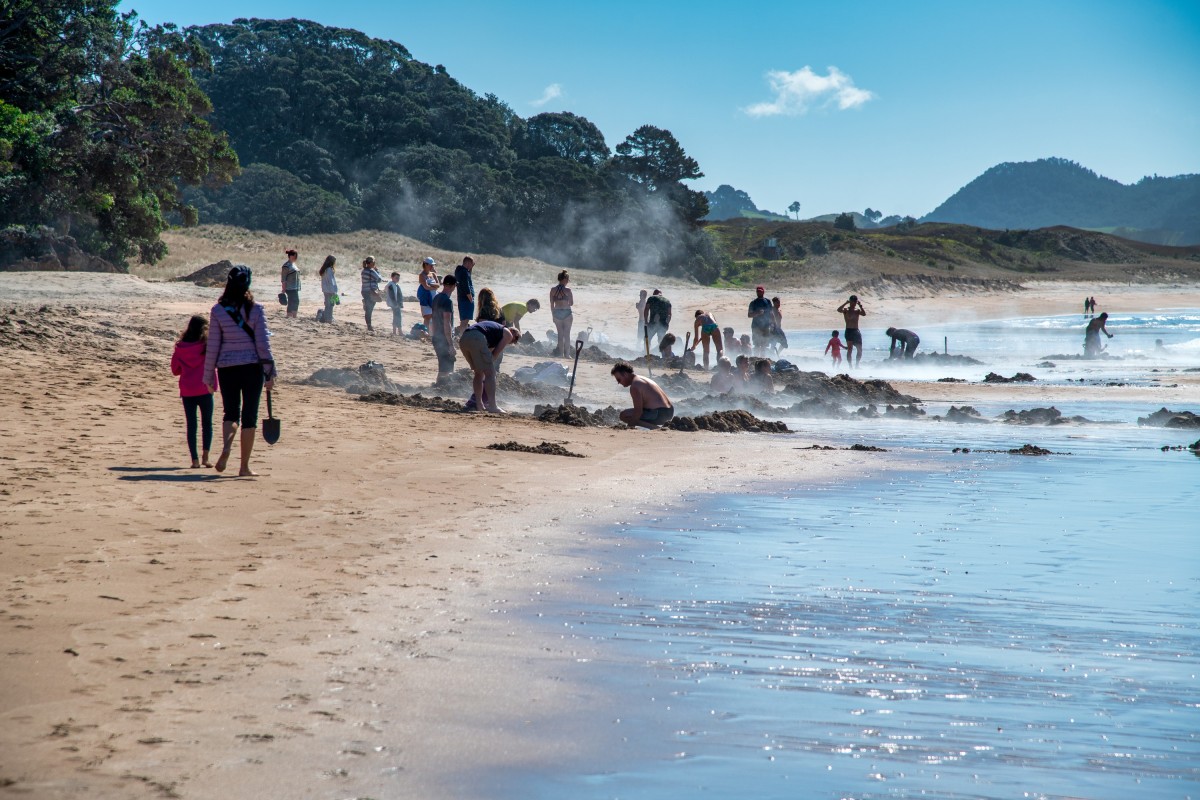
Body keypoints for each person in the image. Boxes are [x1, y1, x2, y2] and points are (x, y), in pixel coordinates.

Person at [204, 265, 277, 477]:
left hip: (227, 368)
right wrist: (270, 371)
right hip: (252, 368)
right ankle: (244, 467)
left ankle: (227, 446)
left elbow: (213, 347)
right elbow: (263, 344)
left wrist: (209, 375)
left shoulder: (217, 311)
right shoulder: (256, 309)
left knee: (230, 413)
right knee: (250, 417)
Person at [171, 315, 216, 468]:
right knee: (207, 424)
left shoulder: (180, 347)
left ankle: (194, 460)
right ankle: (206, 457)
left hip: (187, 390)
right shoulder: (206, 346)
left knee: (191, 425)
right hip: (204, 388)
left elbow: (175, 370)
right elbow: (213, 365)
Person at [458, 321, 520, 413]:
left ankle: (479, 404)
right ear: (513, 333)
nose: (510, 343)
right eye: (513, 341)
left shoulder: (494, 331)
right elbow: (495, 354)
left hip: (464, 339)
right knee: (490, 373)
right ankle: (492, 406)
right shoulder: (508, 333)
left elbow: (487, 353)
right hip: (477, 338)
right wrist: (490, 365)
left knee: (479, 373)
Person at [611, 361, 674, 429]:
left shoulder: (635, 386)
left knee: (624, 415)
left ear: (625, 374)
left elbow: (638, 412)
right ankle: (655, 427)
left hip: (660, 414)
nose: (618, 383)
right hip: (669, 411)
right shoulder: (640, 378)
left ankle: (655, 428)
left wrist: (630, 427)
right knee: (632, 415)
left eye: (619, 379)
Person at [431, 275, 457, 381]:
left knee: (443, 366)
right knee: (447, 367)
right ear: (453, 286)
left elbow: (433, 319)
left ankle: (438, 388)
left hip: (436, 335)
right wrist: (451, 344)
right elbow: (447, 323)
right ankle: (441, 389)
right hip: (443, 337)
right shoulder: (447, 301)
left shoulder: (436, 298)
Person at [837, 294, 867, 367]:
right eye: (852, 302)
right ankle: (850, 366)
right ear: (850, 302)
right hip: (849, 331)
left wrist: (860, 306)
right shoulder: (846, 310)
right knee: (850, 349)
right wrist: (845, 303)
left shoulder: (857, 310)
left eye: (855, 302)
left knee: (859, 349)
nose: (853, 304)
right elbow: (838, 310)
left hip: (856, 331)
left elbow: (864, 314)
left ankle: (857, 365)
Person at [550, 270, 574, 357]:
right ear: (564, 279)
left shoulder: (552, 290)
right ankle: (567, 354)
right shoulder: (568, 290)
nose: (568, 282)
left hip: (557, 312)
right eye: (567, 280)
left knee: (560, 334)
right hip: (566, 312)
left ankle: (560, 354)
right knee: (567, 335)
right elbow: (571, 303)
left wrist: (553, 315)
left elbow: (552, 304)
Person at [747, 285, 774, 356]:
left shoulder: (767, 301)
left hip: (766, 325)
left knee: (764, 344)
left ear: (763, 292)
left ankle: (763, 358)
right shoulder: (753, 302)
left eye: (760, 292)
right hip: (756, 326)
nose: (759, 293)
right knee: (757, 344)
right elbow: (749, 315)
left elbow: (771, 313)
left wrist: (773, 323)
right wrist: (757, 313)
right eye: (758, 292)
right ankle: (756, 357)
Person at [361, 256, 383, 332]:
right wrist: (377, 271)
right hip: (371, 291)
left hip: (364, 291)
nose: (374, 264)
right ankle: (369, 326)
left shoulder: (364, 271)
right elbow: (379, 279)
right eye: (374, 262)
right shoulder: (371, 271)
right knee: (370, 309)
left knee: (368, 309)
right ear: (370, 263)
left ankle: (369, 325)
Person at [417, 257, 440, 328]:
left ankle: (431, 334)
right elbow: (426, 287)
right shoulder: (422, 275)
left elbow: (438, 285)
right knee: (427, 317)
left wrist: (430, 285)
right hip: (426, 298)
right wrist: (433, 287)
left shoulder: (433, 274)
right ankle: (425, 332)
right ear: (426, 265)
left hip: (434, 298)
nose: (432, 267)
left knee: (433, 317)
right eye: (431, 265)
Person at [454, 256, 476, 332]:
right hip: (466, 299)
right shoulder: (464, 272)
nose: (472, 265)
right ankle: (459, 334)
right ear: (467, 263)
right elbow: (466, 286)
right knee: (465, 321)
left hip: (461, 298)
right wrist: (470, 298)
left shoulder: (460, 270)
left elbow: (466, 278)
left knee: (464, 320)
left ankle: (459, 332)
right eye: (472, 264)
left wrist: (471, 269)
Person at [281, 249, 301, 319]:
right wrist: (283, 289)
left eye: (296, 256)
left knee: (292, 301)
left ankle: (290, 316)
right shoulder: (286, 266)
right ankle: (292, 316)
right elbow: (283, 279)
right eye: (294, 256)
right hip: (289, 287)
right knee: (295, 301)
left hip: (295, 286)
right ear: (290, 256)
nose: (295, 258)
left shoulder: (293, 264)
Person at [318, 255, 338, 324]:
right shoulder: (329, 270)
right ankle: (328, 319)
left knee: (328, 305)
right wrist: (334, 292)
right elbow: (331, 281)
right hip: (331, 291)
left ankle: (325, 317)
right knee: (330, 305)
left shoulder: (324, 269)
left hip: (326, 290)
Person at [385, 271, 404, 336]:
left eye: (398, 278)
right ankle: (398, 331)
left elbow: (399, 295)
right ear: (392, 277)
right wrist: (395, 304)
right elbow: (391, 295)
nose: (397, 279)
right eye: (396, 278)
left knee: (396, 316)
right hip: (394, 304)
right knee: (397, 316)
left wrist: (400, 303)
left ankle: (395, 331)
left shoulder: (396, 285)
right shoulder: (391, 285)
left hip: (396, 304)